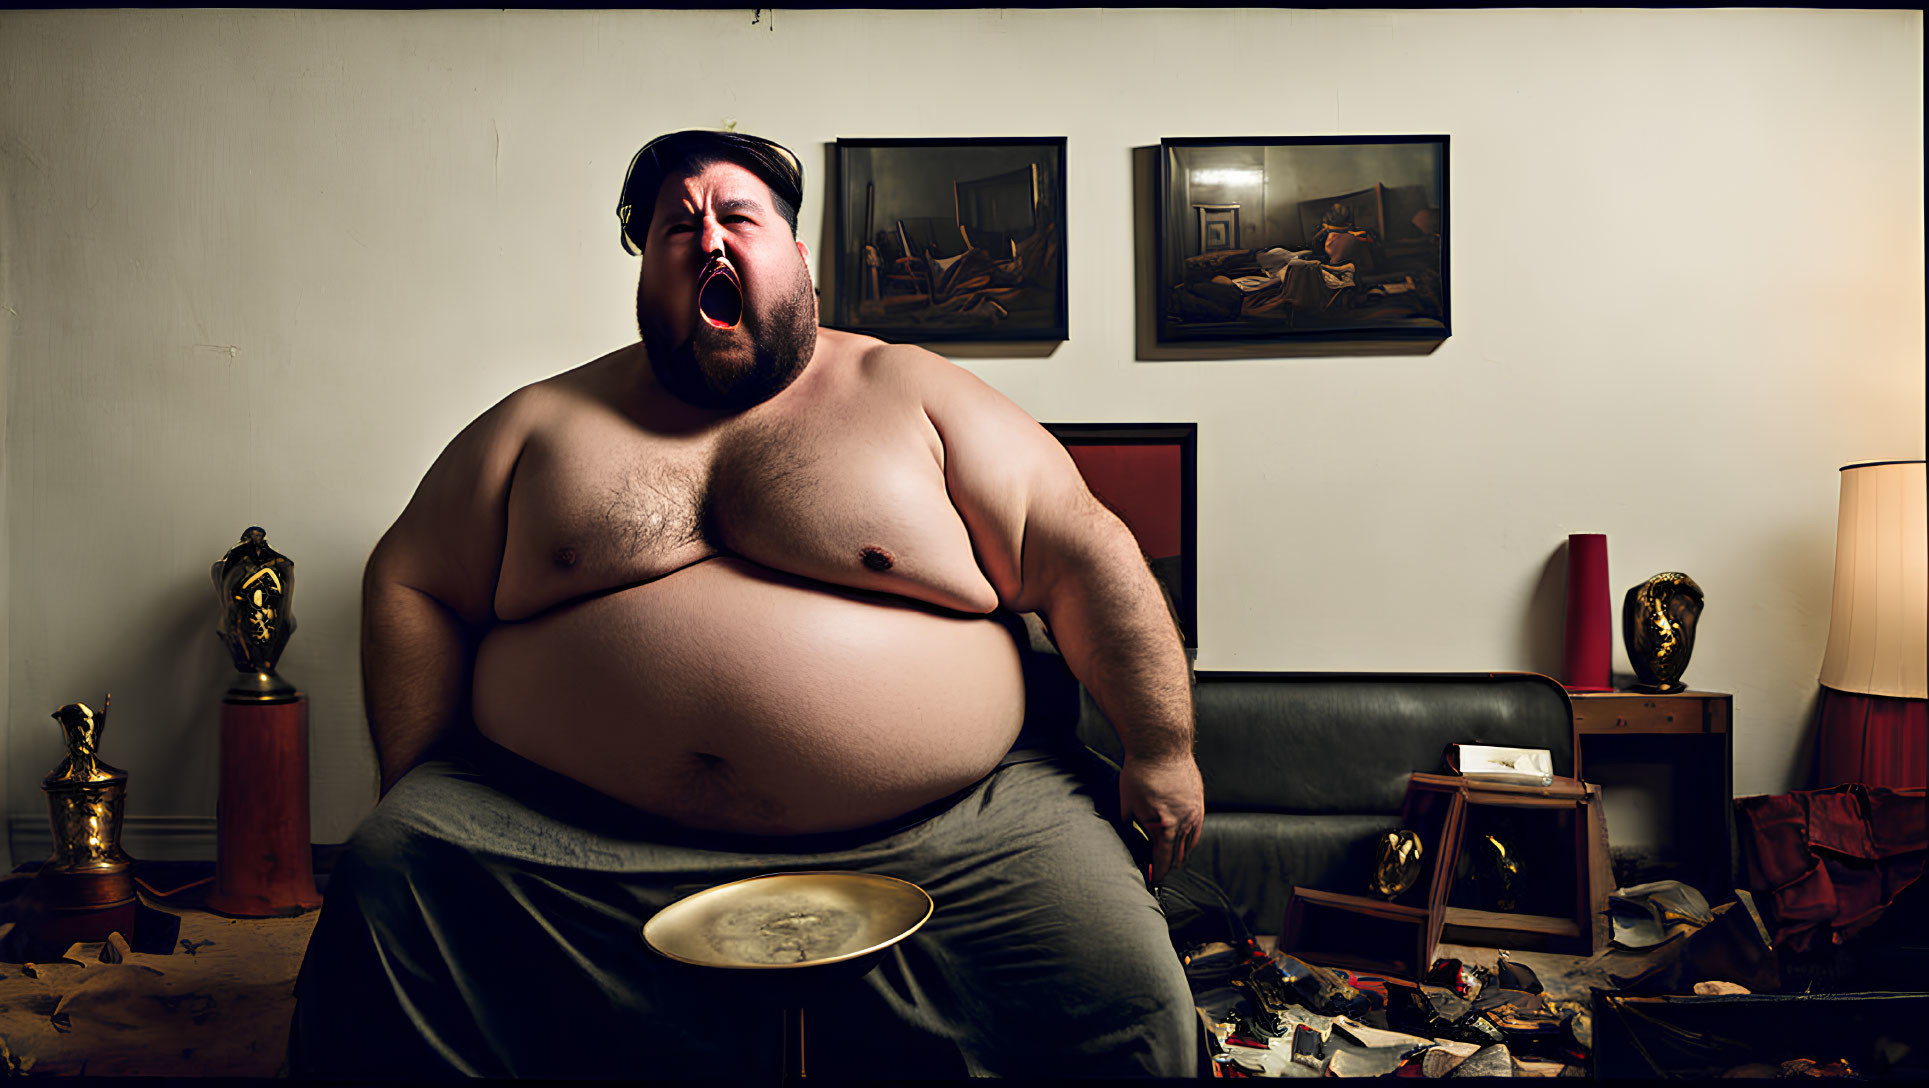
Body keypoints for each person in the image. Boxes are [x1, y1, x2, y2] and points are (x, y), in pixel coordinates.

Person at [289, 129, 1205, 1079]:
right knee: (384, 884)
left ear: (798, 256)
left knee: (1120, 985)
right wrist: (420, 777)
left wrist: (1162, 748)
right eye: (676, 227)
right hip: (553, 835)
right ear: (645, 268)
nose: (710, 239)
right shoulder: (541, 423)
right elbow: (411, 578)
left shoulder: (913, 391)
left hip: (949, 833)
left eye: (738, 215)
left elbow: (1082, 550)